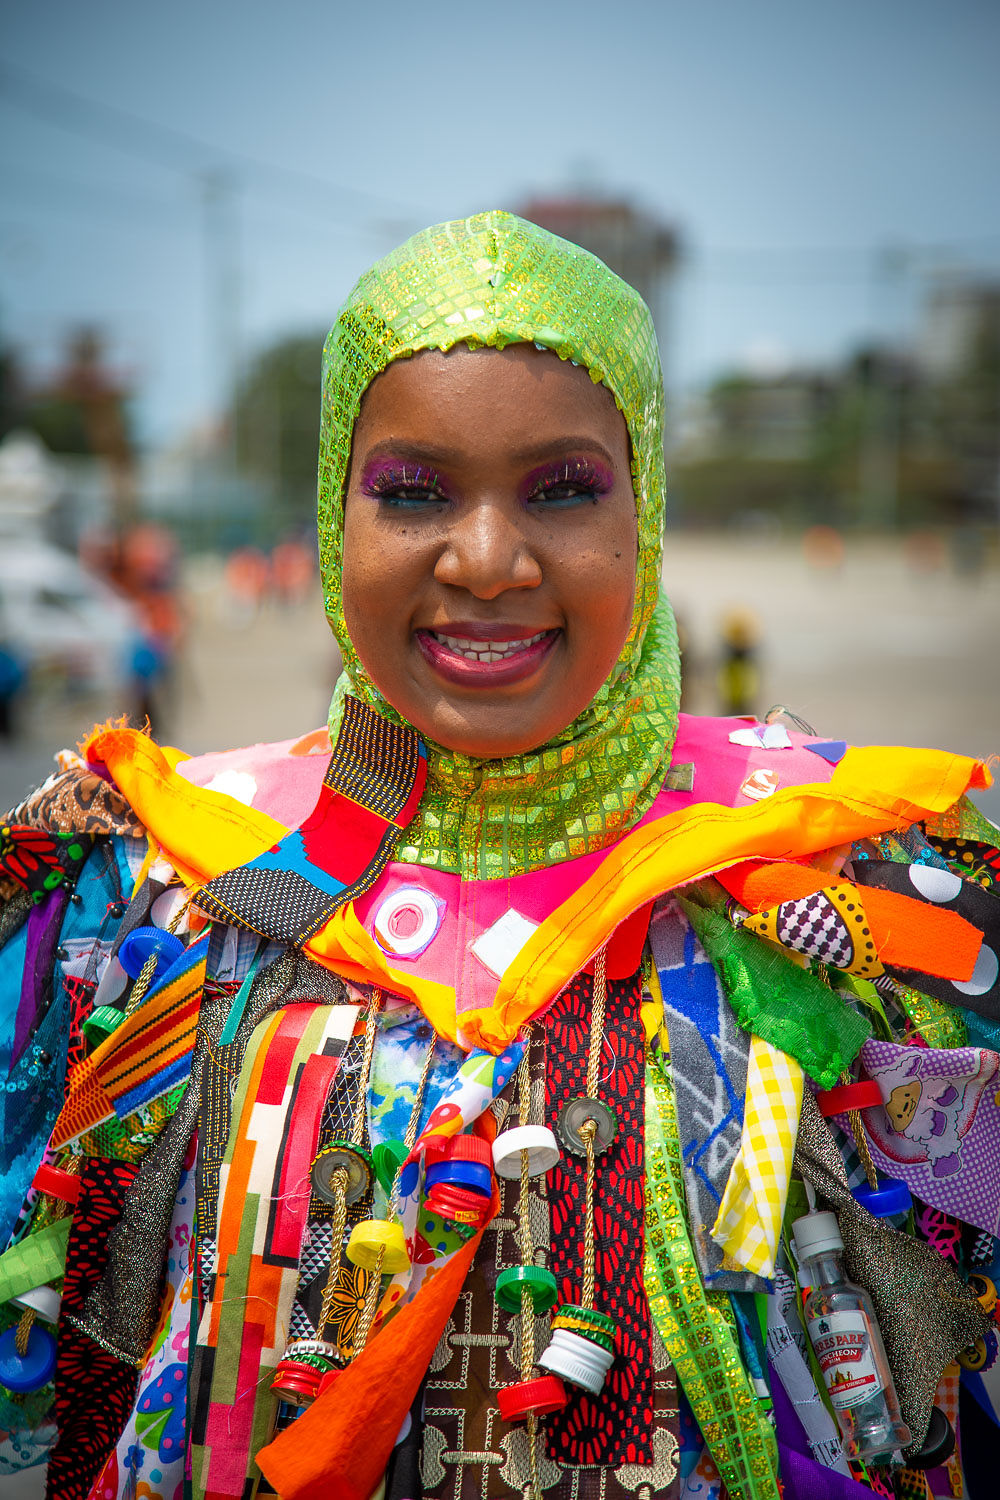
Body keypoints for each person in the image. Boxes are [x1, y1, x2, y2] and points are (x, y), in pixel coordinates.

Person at [1, 212, 998, 1500]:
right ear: (332, 511)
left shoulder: (859, 885)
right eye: (412, 492)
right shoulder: (155, 886)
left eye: (564, 490)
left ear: (644, 513)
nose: (485, 560)